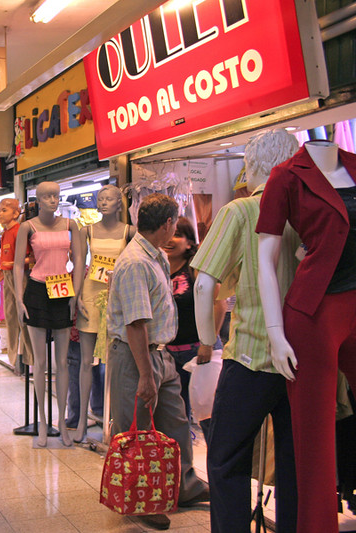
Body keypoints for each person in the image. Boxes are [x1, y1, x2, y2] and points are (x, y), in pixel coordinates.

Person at [193, 129, 300, 533]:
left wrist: (207, 341)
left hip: (252, 356)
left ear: (251, 166)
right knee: (294, 466)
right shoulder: (308, 210)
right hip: (302, 359)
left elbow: (205, 283)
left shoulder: (240, 212)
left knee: (225, 460)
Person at [257, 140, 356, 532]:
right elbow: (267, 255)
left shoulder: (352, 165)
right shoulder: (285, 177)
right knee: (314, 443)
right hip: (315, 313)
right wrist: (275, 332)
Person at [106, 193, 210, 531]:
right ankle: (141, 500)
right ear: (166, 224)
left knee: (176, 422)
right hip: (136, 356)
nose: (175, 234)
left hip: (158, 352)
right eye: (174, 226)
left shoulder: (155, 256)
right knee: (137, 429)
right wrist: (146, 375)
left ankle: (184, 485)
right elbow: (136, 323)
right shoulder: (136, 261)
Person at [14, 181, 85, 447]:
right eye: (47, 196)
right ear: (38, 200)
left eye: (55, 195)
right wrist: (19, 298)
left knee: (63, 363)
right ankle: (42, 423)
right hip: (36, 289)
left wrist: (75, 294)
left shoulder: (70, 225)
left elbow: (78, 260)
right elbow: (18, 265)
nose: (53, 200)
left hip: (62, 289)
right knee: (40, 364)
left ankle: (62, 425)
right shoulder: (27, 227)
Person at [74, 184, 133, 442]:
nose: (105, 203)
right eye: (101, 199)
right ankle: (80, 422)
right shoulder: (85, 230)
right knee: (87, 362)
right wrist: (75, 296)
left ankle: (117, 422)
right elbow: (78, 264)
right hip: (90, 296)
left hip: (116, 299)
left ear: (120, 204)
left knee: (117, 362)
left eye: (110, 199)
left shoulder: (130, 232)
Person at [163, 216, 224, 440]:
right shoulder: (158, 268)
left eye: (178, 235)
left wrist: (208, 343)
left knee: (209, 418)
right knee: (177, 420)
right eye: (168, 233)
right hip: (171, 355)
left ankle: (216, 471)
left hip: (200, 353)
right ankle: (182, 470)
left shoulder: (196, 269)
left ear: (190, 242)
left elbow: (220, 303)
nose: (171, 239)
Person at [0, 198, 33, 371]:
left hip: (20, 276)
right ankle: (13, 356)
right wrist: (4, 269)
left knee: (22, 315)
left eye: (4, 210)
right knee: (10, 315)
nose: (0, 213)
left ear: (16, 213)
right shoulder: (5, 232)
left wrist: (13, 264)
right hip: (7, 276)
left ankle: (29, 357)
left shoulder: (20, 231)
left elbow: (31, 258)